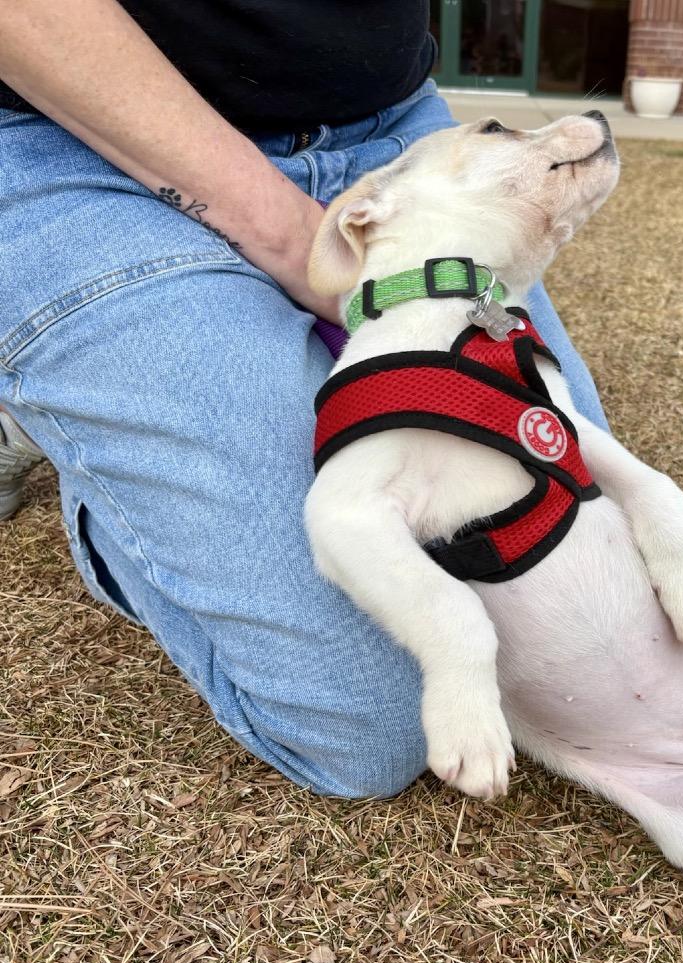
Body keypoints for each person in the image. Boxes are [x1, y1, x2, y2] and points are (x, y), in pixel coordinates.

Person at [0, 1, 608, 797]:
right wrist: (295, 241)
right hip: (71, 138)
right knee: (374, 725)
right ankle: (68, 433)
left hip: (391, 132)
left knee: (574, 592)